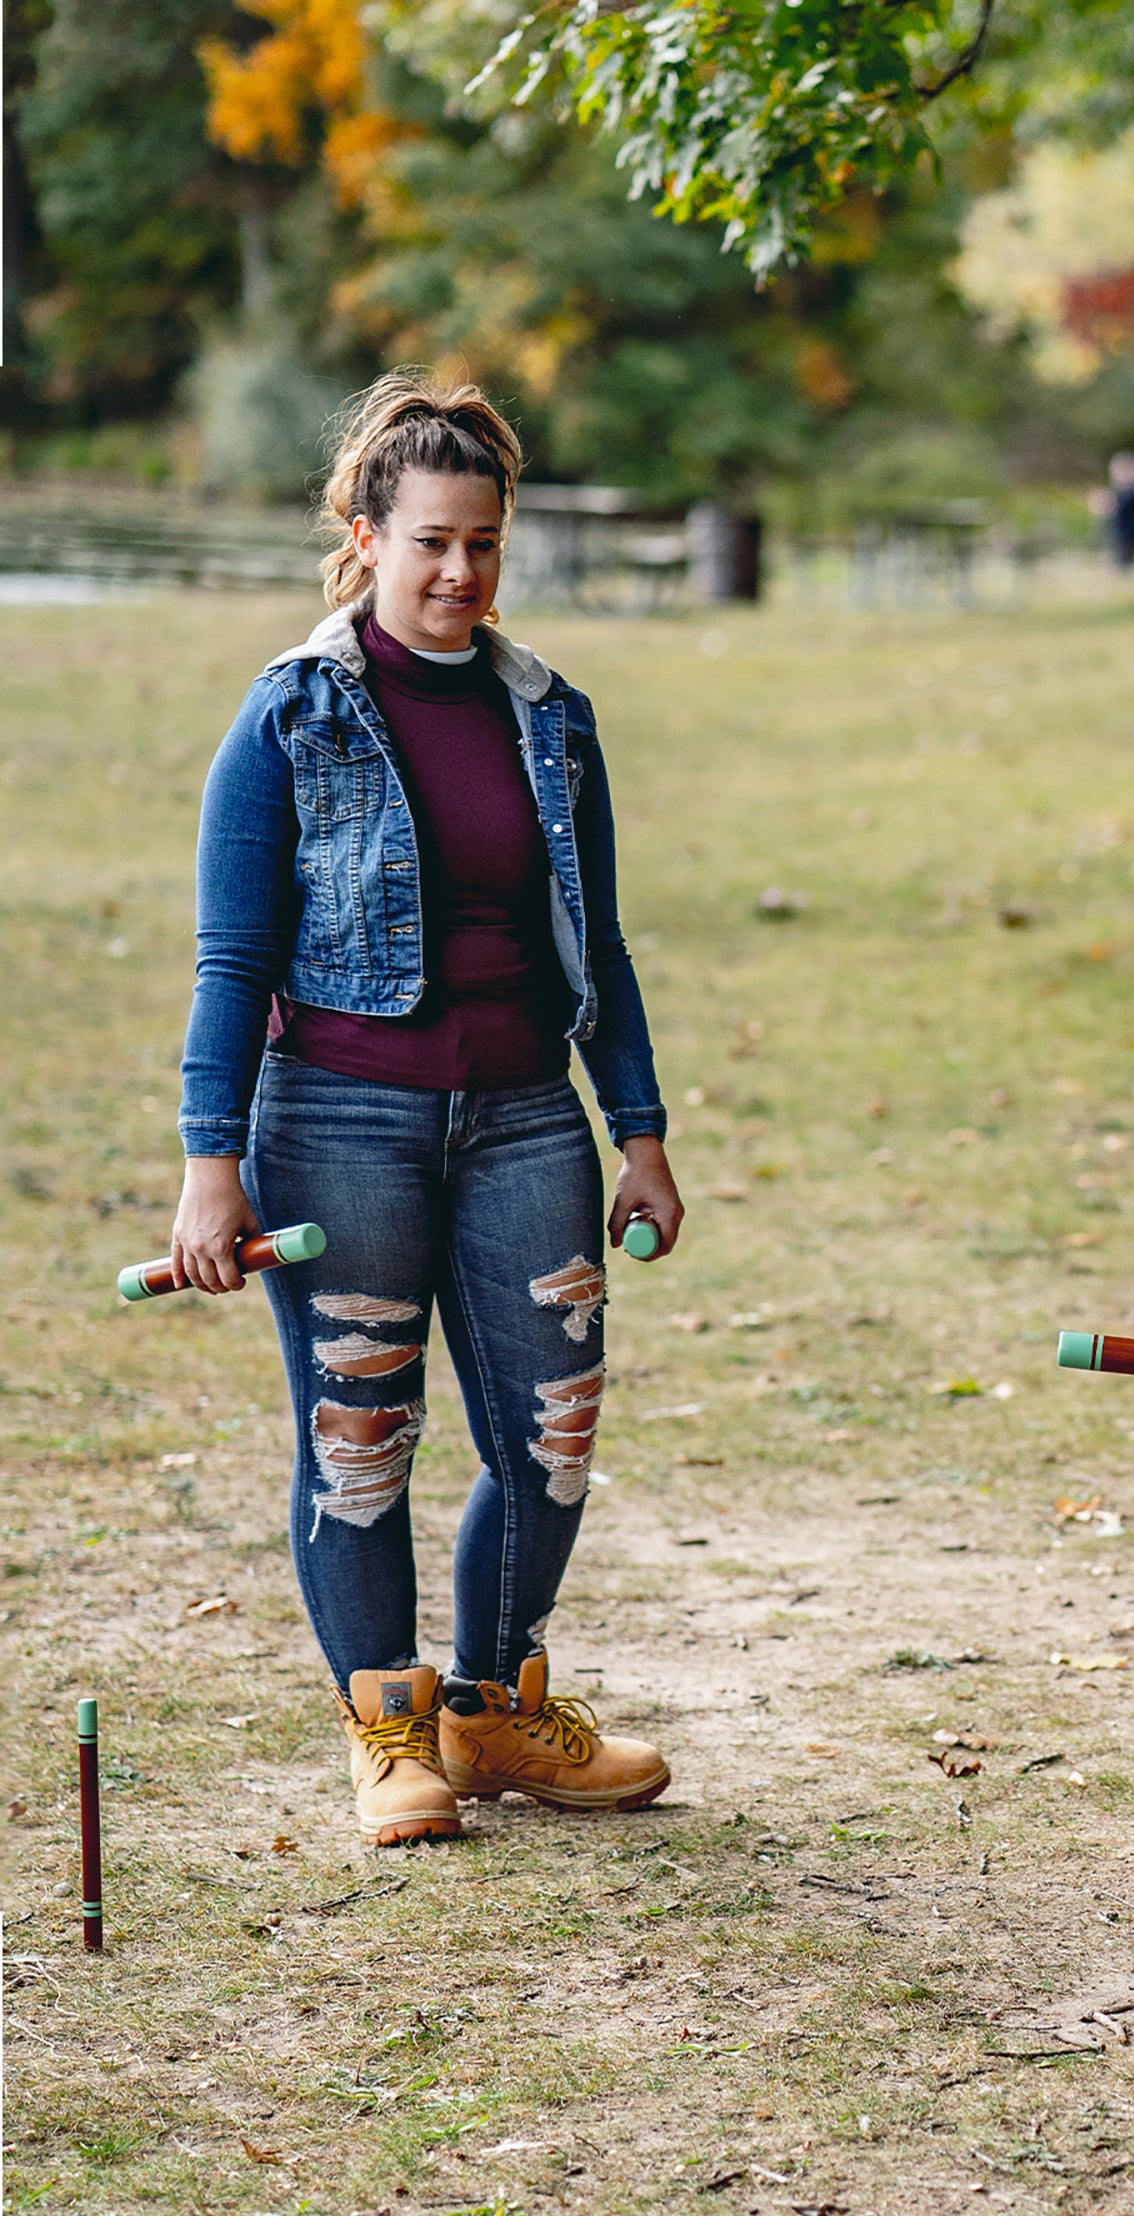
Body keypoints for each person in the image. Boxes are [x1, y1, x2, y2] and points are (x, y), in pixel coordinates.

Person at [170, 370, 682, 1848]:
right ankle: (389, 1733)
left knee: (555, 1436)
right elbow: (231, 960)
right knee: (360, 1436)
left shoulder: (551, 719)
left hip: (527, 1118)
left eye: (484, 545)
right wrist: (212, 1168)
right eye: (431, 543)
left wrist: (638, 1133)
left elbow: (603, 943)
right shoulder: (291, 716)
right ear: (364, 534)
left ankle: (496, 1710)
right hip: (339, 1123)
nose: (460, 574)